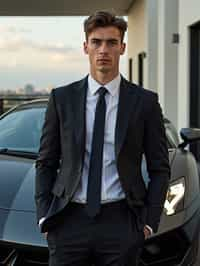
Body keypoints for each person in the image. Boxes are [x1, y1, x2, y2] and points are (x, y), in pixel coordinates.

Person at [35, 11, 170, 266]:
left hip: (122, 220)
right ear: (86, 47)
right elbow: (46, 162)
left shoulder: (145, 102)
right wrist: (45, 216)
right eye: (96, 42)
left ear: (122, 47)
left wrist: (149, 222)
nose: (103, 50)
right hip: (69, 219)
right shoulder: (62, 99)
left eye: (111, 42)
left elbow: (159, 167)